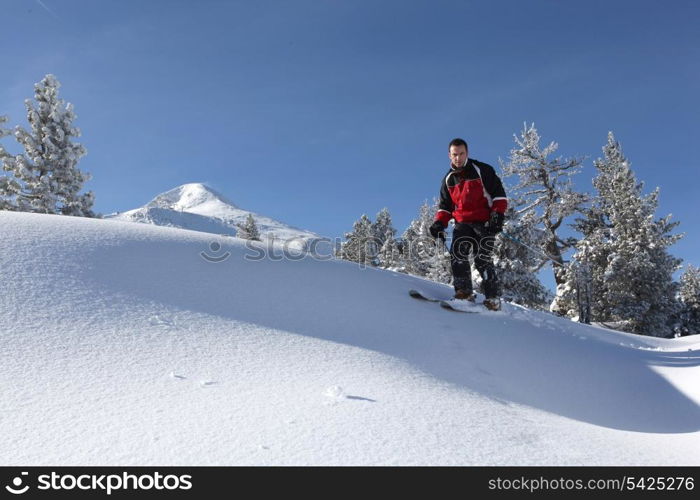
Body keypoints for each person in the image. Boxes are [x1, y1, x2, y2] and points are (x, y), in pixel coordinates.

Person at [429, 138, 507, 311]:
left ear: (467, 153)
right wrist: (439, 224)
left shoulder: (482, 170)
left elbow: (499, 195)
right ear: (449, 155)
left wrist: (497, 215)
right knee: (458, 254)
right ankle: (464, 293)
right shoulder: (449, 180)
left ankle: (493, 299)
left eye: (461, 153)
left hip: (484, 222)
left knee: (482, 259)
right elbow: (445, 207)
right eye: (454, 154)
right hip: (462, 223)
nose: (458, 158)